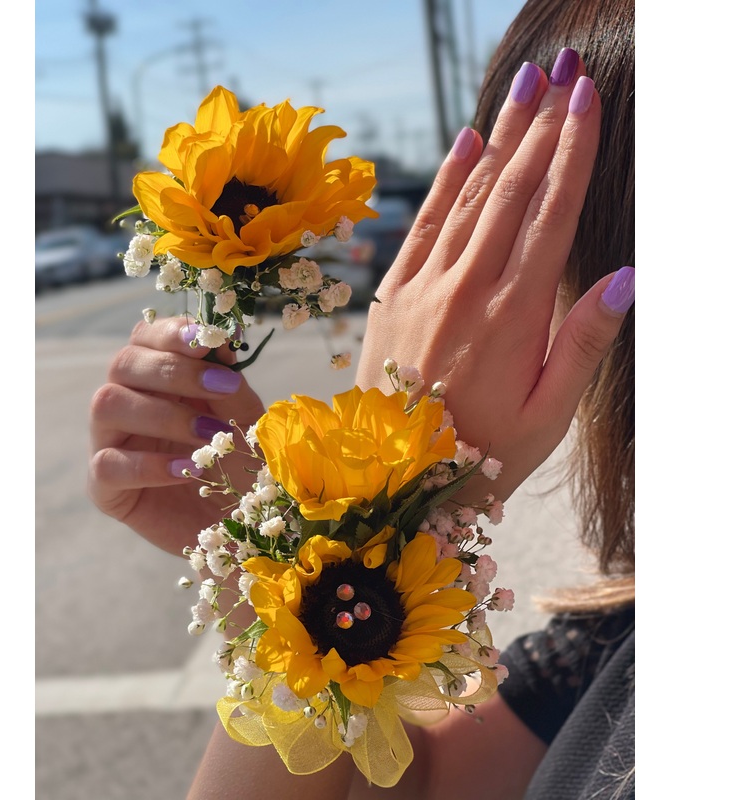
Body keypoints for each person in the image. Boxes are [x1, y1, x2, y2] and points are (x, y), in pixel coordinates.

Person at [88, 0, 634, 796]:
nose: (469, 297)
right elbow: (412, 782)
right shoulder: (612, 644)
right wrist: (284, 566)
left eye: (537, 245)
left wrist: (396, 479)